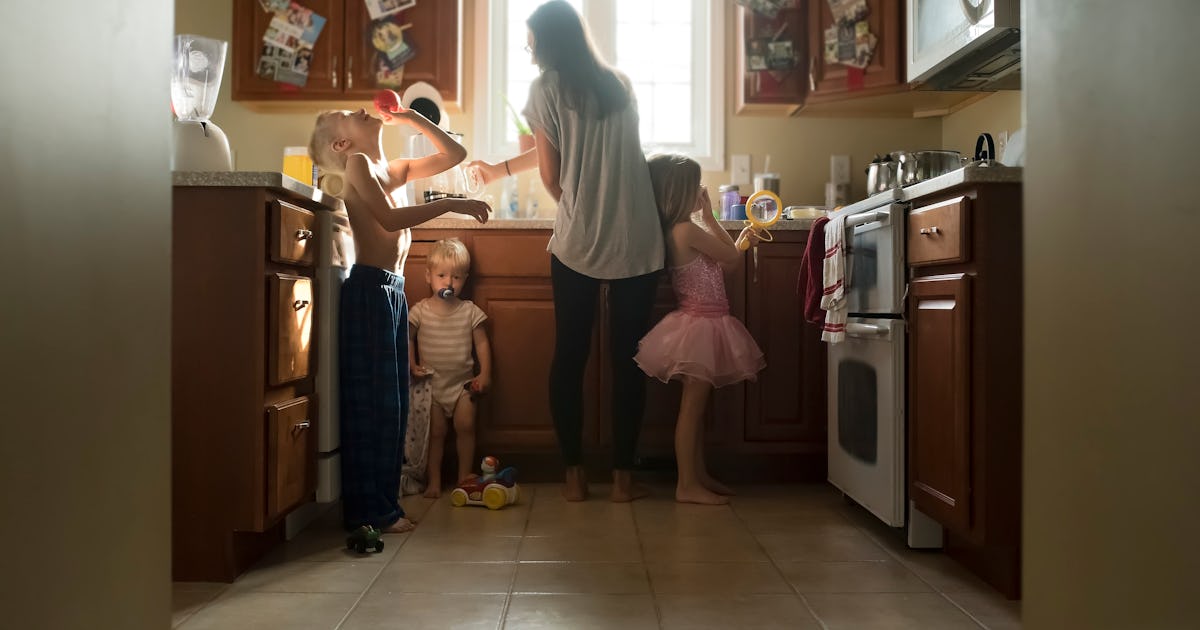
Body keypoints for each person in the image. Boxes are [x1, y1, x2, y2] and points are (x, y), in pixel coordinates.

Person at [467, 1, 664, 502]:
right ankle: (622, 480)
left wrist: (573, 202)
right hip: (637, 235)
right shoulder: (617, 83)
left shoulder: (544, 87)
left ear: (550, 42)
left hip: (579, 240)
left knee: (570, 356)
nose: (529, 51)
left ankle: (574, 477)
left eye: (532, 42)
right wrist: (500, 171)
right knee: (629, 360)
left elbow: (554, 170)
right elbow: (570, 142)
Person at [307, 106, 489, 533]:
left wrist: (413, 119)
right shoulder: (357, 165)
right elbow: (388, 219)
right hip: (369, 291)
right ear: (342, 144)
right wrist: (452, 204)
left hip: (390, 292)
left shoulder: (386, 169)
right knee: (376, 406)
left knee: (395, 406)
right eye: (348, 113)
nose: (361, 109)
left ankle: (384, 505)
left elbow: (455, 154)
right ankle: (371, 510)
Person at [635, 154, 766, 505]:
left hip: (702, 324)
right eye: (696, 186)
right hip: (700, 326)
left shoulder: (679, 230)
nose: (702, 190)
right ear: (678, 193)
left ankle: (698, 475)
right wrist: (710, 217)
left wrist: (732, 244)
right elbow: (732, 260)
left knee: (697, 408)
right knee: (692, 409)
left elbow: (722, 266)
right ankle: (686, 485)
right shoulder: (687, 228)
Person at [408, 238, 492, 498]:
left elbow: (482, 345)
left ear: (465, 279)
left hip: (462, 384)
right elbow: (407, 339)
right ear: (428, 276)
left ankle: (463, 477)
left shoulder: (469, 311)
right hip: (431, 385)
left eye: (456, 277)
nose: (448, 282)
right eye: (442, 275)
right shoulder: (420, 311)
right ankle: (434, 480)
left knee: (466, 425)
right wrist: (412, 364)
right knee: (436, 433)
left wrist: (485, 373)